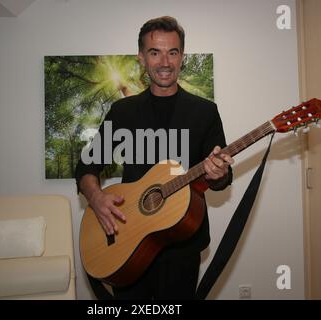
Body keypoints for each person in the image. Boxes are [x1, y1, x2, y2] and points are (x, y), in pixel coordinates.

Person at [75, 16, 234, 299]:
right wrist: (97, 198)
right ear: (141, 58)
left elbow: (222, 178)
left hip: (182, 242)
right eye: (155, 52)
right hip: (127, 240)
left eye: (172, 52)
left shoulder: (205, 112)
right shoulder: (123, 112)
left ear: (182, 57)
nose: (164, 62)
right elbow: (86, 167)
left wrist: (218, 173)